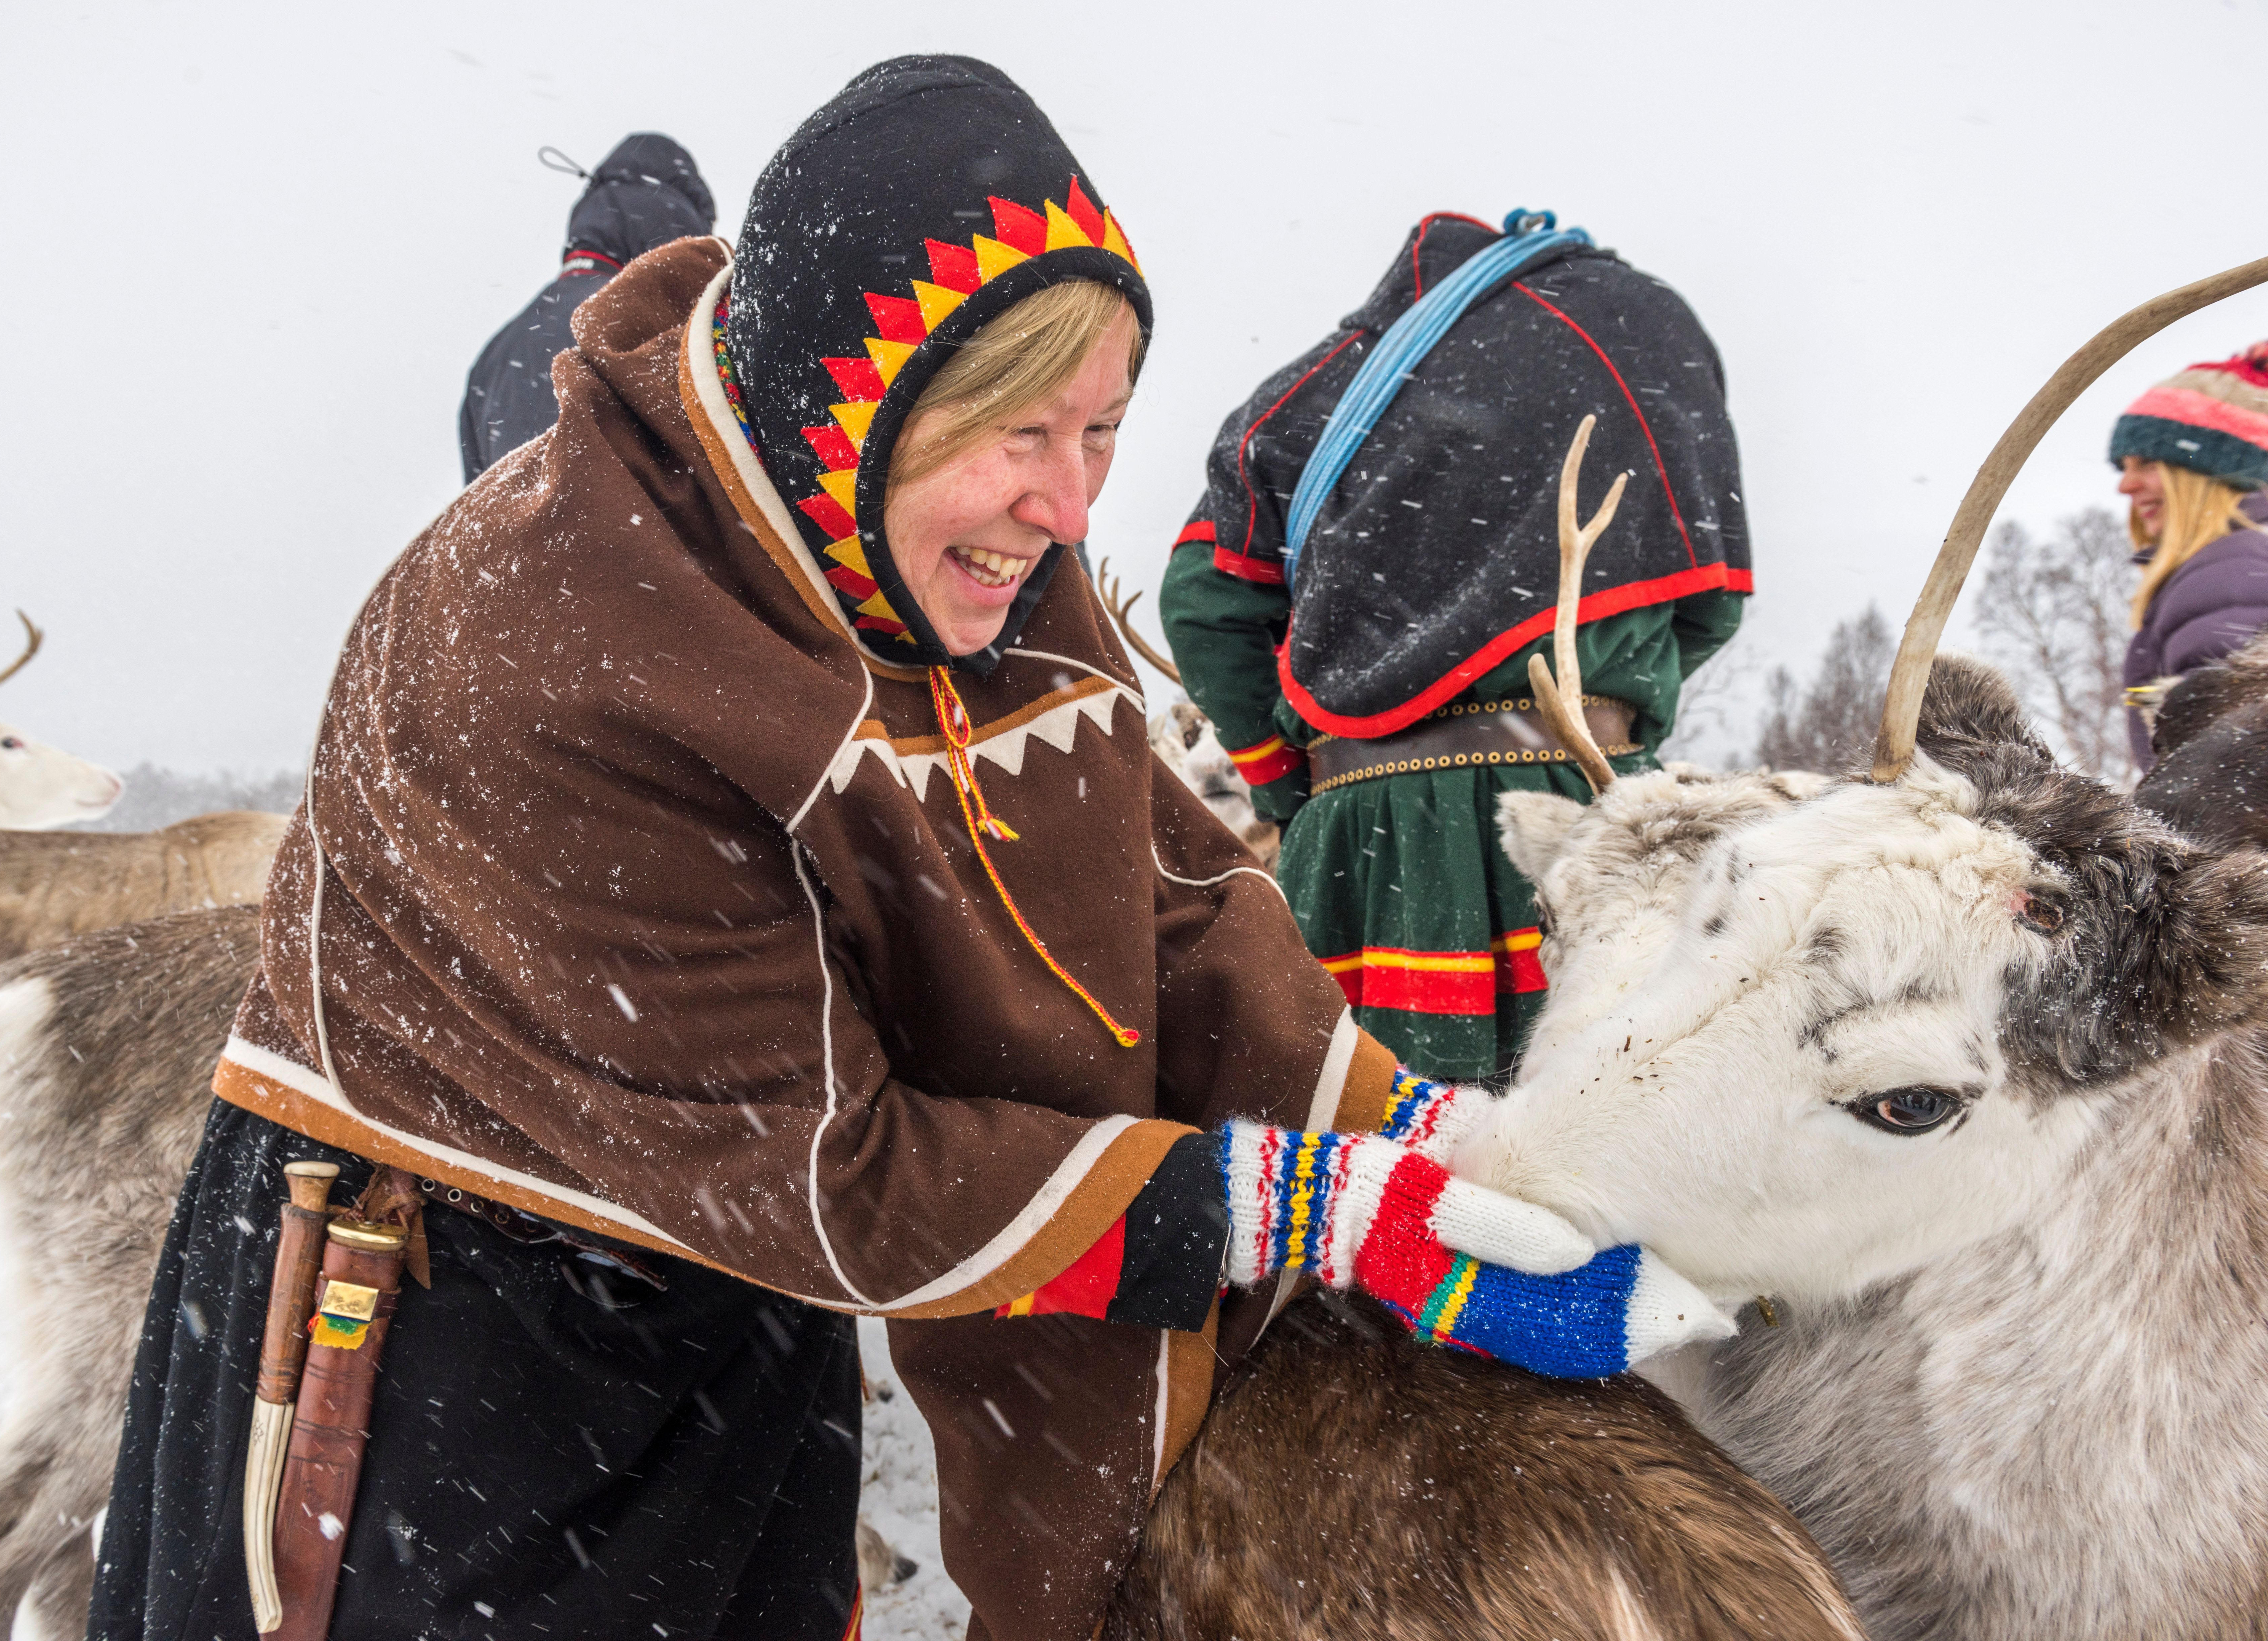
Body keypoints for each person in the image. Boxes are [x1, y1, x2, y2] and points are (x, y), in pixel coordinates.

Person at [87, 60, 1723, 1641]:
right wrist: (1305, 1207)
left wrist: (1423, 1139)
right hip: (465, 1320)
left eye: (1102, 429)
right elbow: (827, 1174)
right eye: (1026, 432)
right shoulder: (548, 652)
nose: (1073, 503)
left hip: (742, 1301)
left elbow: (1155, 899)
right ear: (851, 400)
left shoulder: (944, 542)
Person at [1161, 213, 1749, 1083]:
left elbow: (1203, 602)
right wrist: (1610, 721)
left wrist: (1290, 789)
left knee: (1367, 1139)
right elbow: (1710, 597)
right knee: (1614, 1114)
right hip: (1591, 811)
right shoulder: (1640, 335)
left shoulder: (1307, 393)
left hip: (1358, 836)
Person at [458, 132, 714, 482]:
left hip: (522, 538)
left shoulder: (495, 356)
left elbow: (475, 515)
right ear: (674, 229)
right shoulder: (659, 325)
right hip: (635, 537)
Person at [2113, 342, 2268, 769]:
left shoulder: (2231, 572)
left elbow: (2227, 770)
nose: (2125, 486)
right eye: (2124, 467)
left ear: (2210, 472)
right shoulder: (2222, 566)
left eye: (2146, 464)